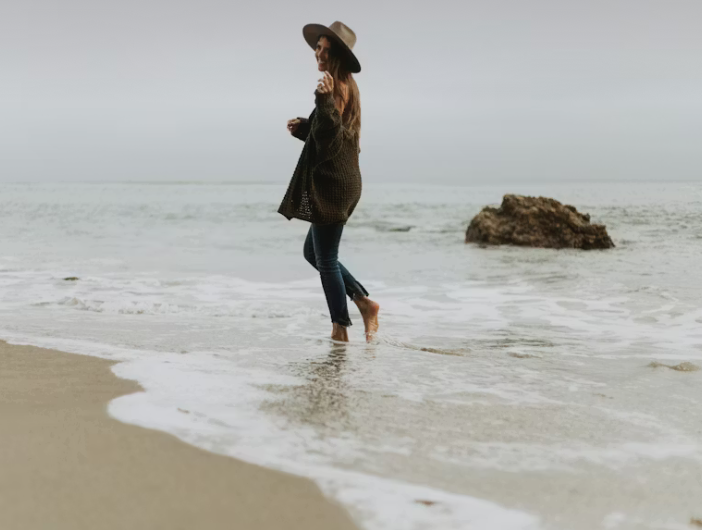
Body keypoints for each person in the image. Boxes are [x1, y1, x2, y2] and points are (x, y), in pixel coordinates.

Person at [278, 21, 379, 343]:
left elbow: (331, 132)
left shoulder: (334, 87)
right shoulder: (344, 85)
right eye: (317, 48)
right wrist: (305, 127)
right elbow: (330, 139)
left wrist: (321, 103)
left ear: (337, 54)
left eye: (325, 49)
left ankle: (341, 328)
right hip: (341, 181)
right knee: (315, 253)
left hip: (334, 186)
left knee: (325, 259)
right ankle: (364, 302)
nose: (318, 53)